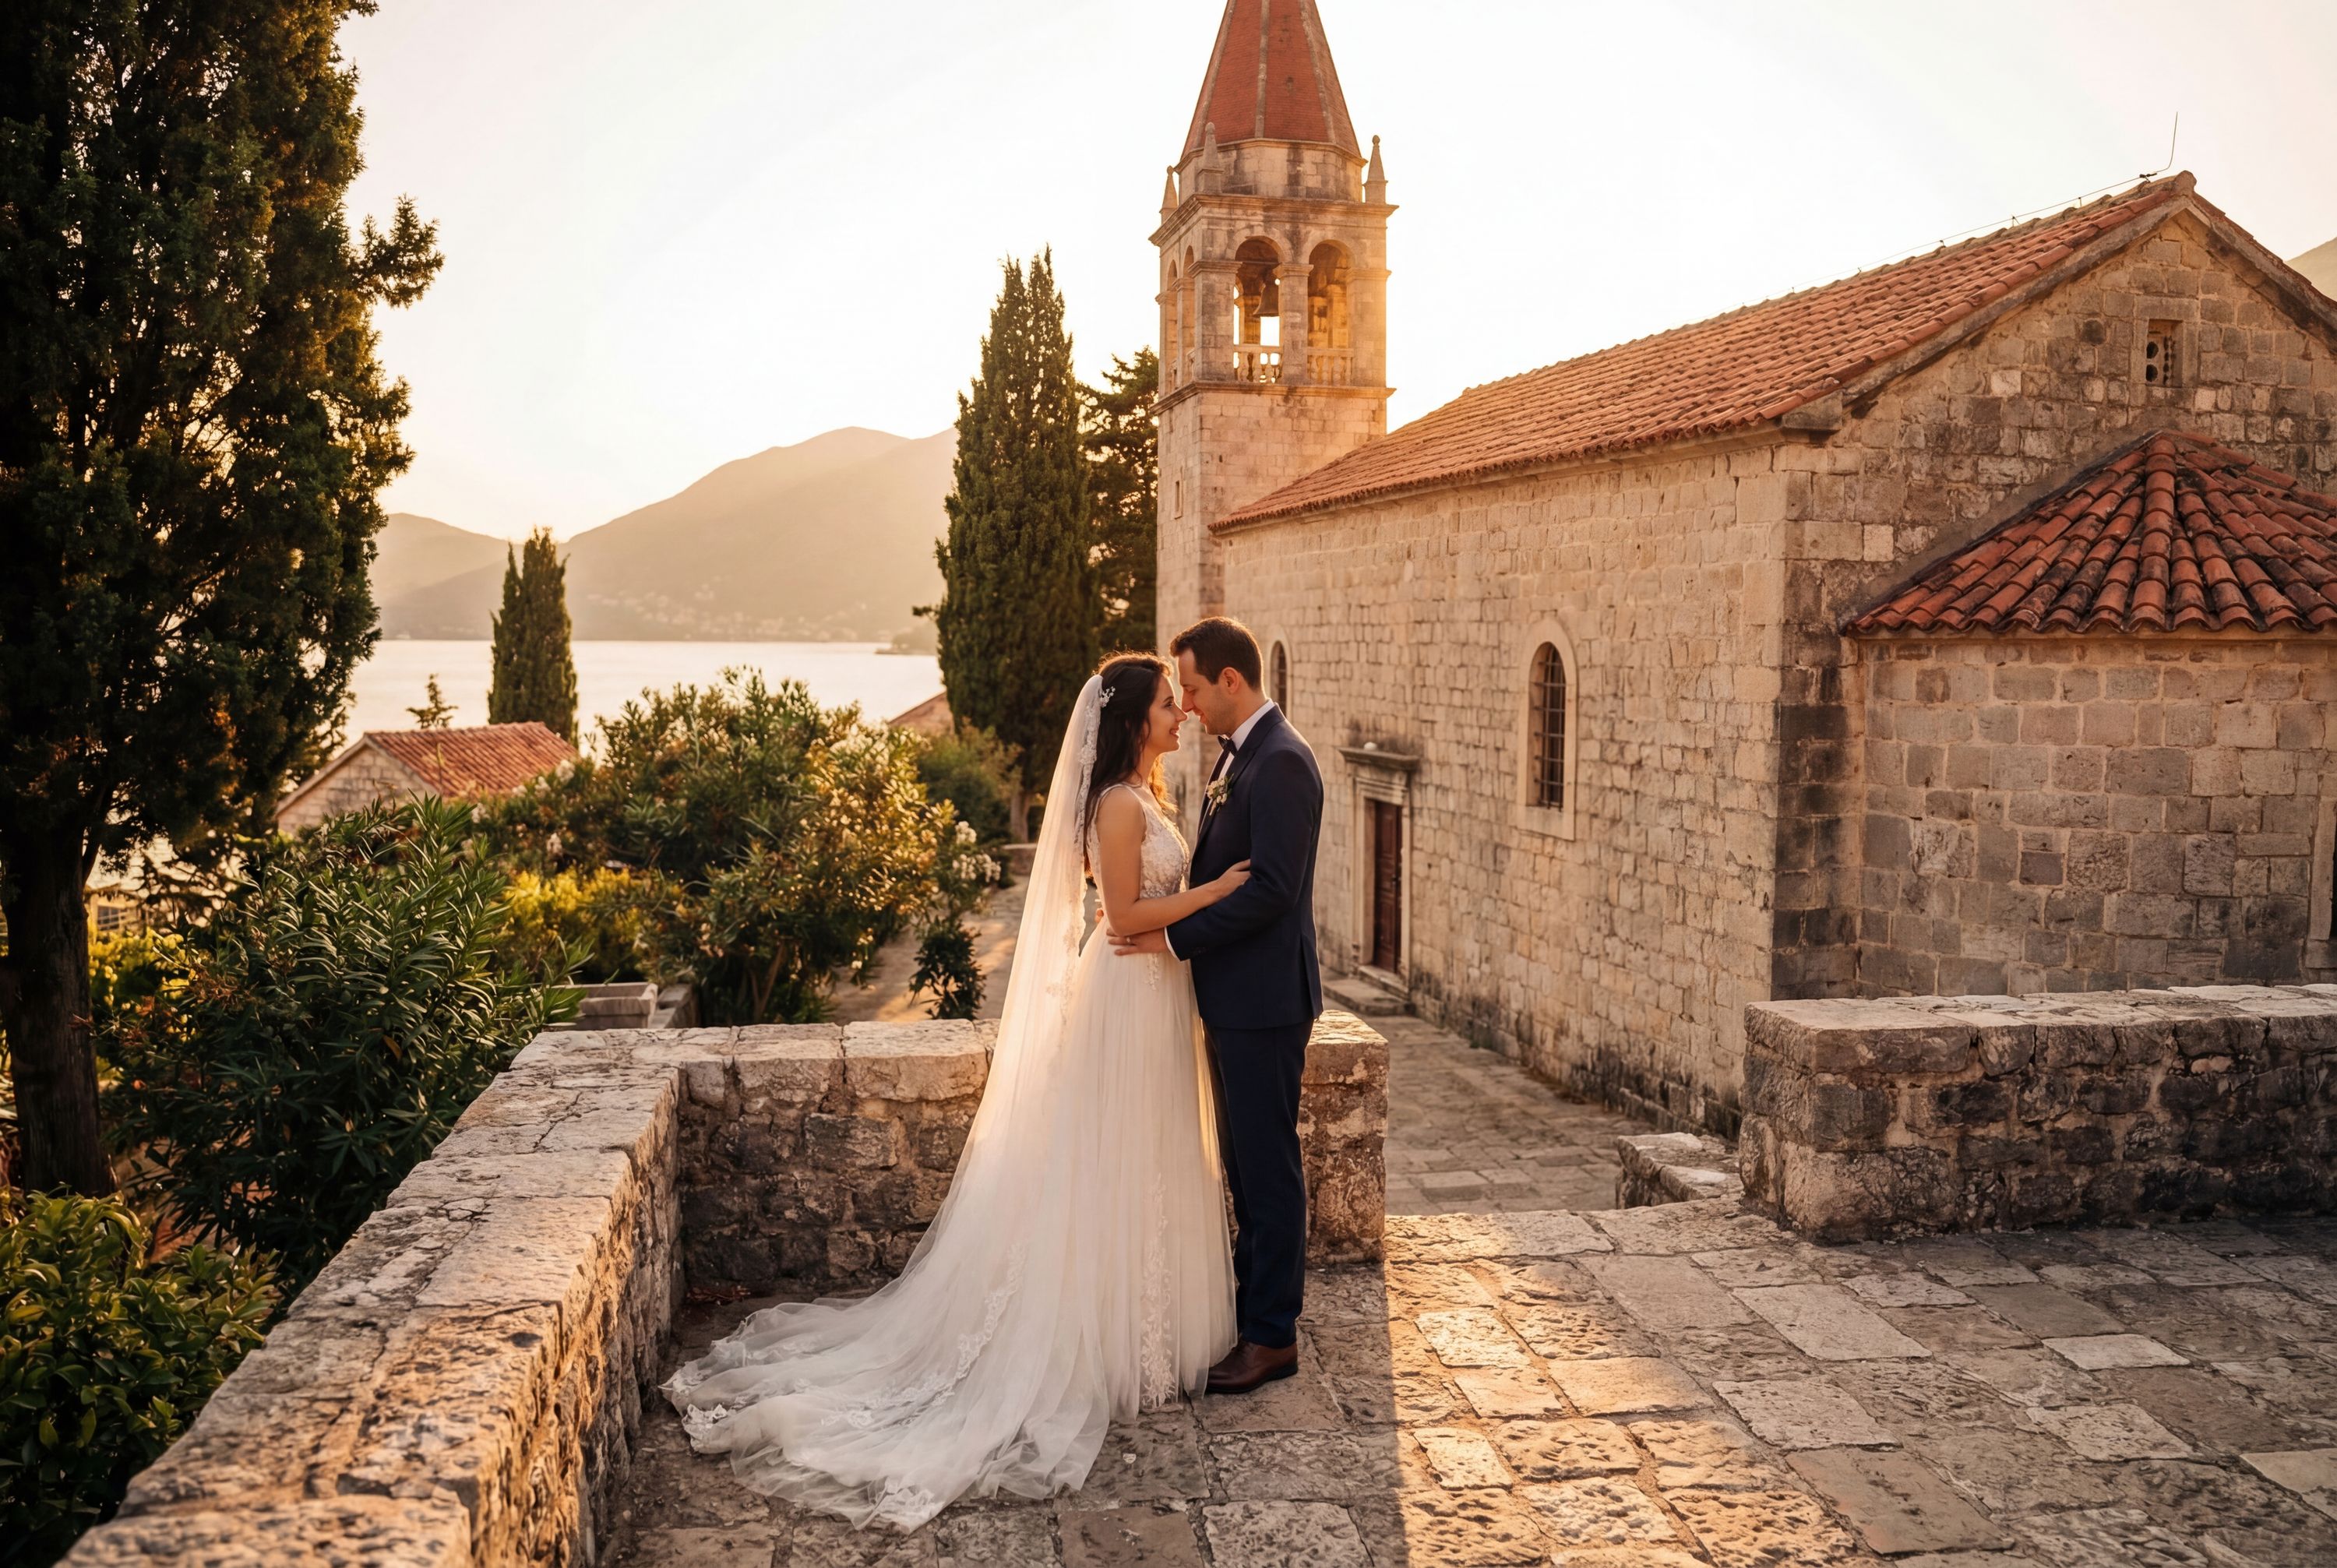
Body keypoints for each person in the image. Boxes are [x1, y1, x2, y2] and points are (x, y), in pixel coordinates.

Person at [662, 653, 1244, 1530]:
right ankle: (1107, 1340)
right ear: (1133, 719)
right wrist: (1214, 893)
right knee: (1116, 1158)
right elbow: (1123, 917)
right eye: (1167, 704)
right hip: (1128, 995)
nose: (1180, 714)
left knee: (1146, 1158)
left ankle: (1146, 1332)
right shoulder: (1119, 805)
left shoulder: (1142, 794)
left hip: (1154, 991)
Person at [1111, 615, 1325, 1395]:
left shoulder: (1283, 763)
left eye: (1195, 688)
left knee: (1267, 1169)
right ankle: (1250, 1308)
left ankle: (1272, 1336)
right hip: (1235, 999)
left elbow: (1271, 891)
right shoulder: (1242, 756)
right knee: (1243, 1163)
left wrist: (1171, 940)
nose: (1190, 705)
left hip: (1265, 1001)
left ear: (1231, 680)